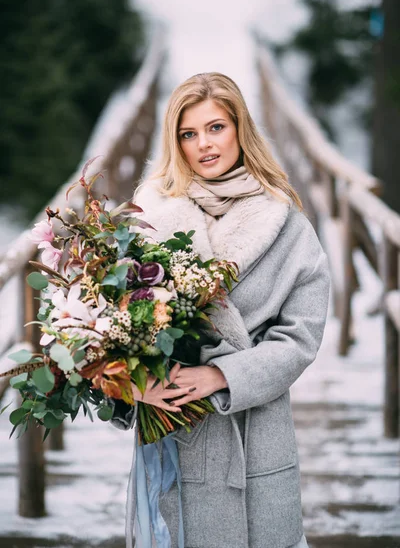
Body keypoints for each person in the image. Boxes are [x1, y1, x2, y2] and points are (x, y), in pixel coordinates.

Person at [112, 72, 330, 548]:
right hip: (174, 438)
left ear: (240, 129)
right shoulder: (146, 220)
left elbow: (300, 339)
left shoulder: (289, 229)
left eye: (216, 128)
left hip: (253, 436)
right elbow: (112, 326)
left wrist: (223, 376)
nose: (204, 145)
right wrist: (133, 384)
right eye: (188, 134)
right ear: (176, 142)